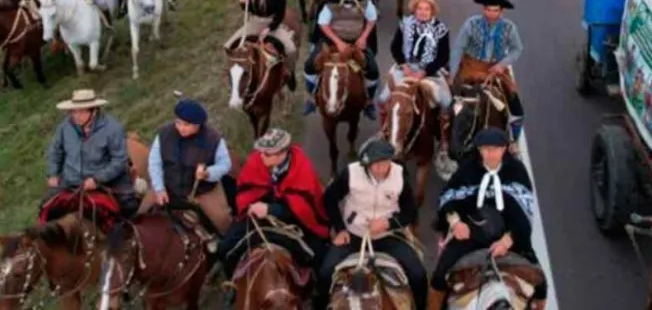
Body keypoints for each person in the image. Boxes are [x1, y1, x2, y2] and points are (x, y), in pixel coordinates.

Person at [431, 128, 544, 310]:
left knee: (540, 283)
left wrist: (506, 241)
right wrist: (456, 223)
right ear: (479, 150)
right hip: (471, 232)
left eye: (495, 149)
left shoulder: (517, 171)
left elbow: (525, 210)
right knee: (439, 276)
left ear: (504, 149)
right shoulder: (468, 169)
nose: (490, 154)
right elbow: (449, 196)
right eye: (485, 149)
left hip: (509, 234)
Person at [217, 129, 328, 301]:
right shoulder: (257, 160)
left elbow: (304, 205)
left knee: (319, 255)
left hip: (292, 218)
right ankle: (235, 285)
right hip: (256, 216)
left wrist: (271, 210)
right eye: (261, 152)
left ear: (283, 153)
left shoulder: (301, 165)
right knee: (225, 248)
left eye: (267, 154)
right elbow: (247, 188)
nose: (261, 157)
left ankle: (319, 294)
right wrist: (253, 206)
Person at [319, 139, 427, 309]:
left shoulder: (400, 176)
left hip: (388, 237)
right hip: (354, 236)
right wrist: (340, 229)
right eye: (373, 164)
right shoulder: (351, 173)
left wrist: (388, 223)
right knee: (325, 273)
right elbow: (329, 198)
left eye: (383, 163)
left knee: (418, 275)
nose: (378, 168)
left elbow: (410, 212)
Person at [42, 89, 140, 219]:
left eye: (81, 111)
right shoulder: (65, 127)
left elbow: (120, 160)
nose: (76, 115)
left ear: (94, 111)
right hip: (71, 180)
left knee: (129, 206)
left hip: (107, 180)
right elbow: (55, 150)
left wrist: (98, 179)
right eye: (73, 111)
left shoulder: (112, 128)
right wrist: (53, 173)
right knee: (45, 206)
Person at [149, 99, 234, 236]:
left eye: (187, 124)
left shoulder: (213, 139)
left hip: (203, 190)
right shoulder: (164, 134)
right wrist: (159, 189)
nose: (181, 128)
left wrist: (208, 173)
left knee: (222, 220)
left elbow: (225, 164)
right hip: (168, 185)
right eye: (178, 122)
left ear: (198, 124)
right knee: (142, 214)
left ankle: (228, 250)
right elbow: (155, 162)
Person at [450, 0, 526, 145]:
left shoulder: (510, 28)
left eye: (495, 10)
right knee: (449, 102)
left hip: (495, 69)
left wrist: (502, 64)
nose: (491, 14)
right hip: (470, 67)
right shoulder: (470, 24)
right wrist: (452, 75)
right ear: (483, 9)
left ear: (501, 11)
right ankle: (445, 142)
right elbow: (458, 48)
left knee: (516, 107)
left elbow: (517, 49)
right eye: (488, 10)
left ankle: (513, 141)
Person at [303, 0, 379, 119]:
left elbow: (371, 19)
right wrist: (338, 42)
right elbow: (323, 23)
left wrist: (363, 38)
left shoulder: (364, 0)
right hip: (332, 41)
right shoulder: (331, 0)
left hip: (356, 41)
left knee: (373, 69)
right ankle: (311, 97)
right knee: (310, 65)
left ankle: (369, 102)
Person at [382, 0, 452, 152]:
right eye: (419, 8)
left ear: (432, 11)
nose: (423, 12)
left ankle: (444, 140)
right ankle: (385, 131)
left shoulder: (441, 29)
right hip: (406, 67)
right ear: (414, 10)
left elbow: (443, 57)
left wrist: (424, 71)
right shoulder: (404, 24)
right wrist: (404, 65)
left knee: (446, 102)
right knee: (383, 97)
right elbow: (395, 47)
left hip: (430, 70)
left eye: (427, 9)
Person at [224, 0, 298, 90]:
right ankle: (235, 72)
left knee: (291, 50)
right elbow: (251, 9)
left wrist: (269, 28)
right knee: (228, 46)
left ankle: (289, 72)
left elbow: (280, 16)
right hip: (254, 22)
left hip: (271, 24)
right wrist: (243, 3)